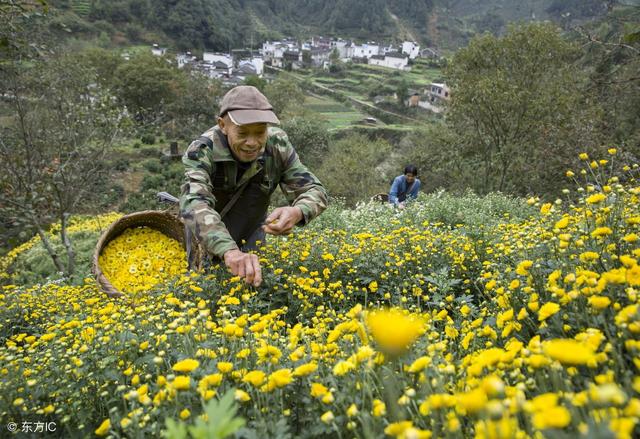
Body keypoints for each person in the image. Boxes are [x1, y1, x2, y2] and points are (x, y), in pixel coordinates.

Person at [180, 86, 328, 287]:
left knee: (252, 292)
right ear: (222, 125)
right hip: (207, 236)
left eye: (260, 132)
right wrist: (229, 251)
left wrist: (298, 211)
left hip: (252, 236)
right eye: (242, 133)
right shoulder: (203, 150)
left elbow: (314, 190)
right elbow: (194, 203)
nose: (252, 142)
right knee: (204, 292)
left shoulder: (277, 145)